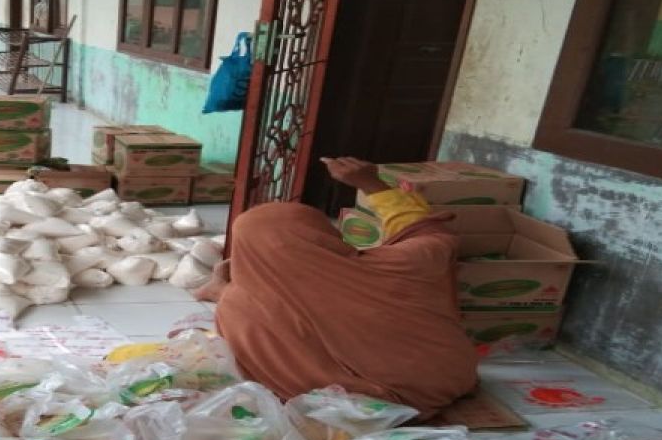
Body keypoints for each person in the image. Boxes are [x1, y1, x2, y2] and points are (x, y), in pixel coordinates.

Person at [198, 156, 478, 419]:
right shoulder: (402, 263)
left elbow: (256, 344)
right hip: (449, 376)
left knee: (242, 317)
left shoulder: (241, 305)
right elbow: (430, 233)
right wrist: (371, 183)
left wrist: (219, 290)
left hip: (367, 409)